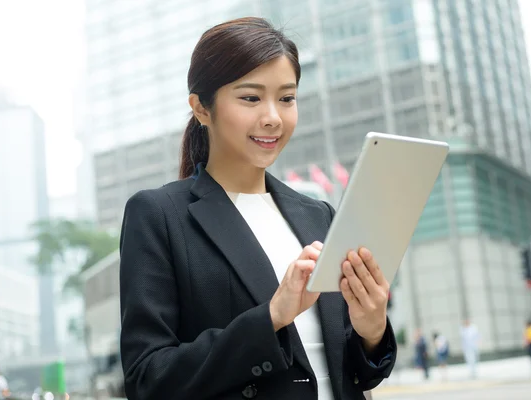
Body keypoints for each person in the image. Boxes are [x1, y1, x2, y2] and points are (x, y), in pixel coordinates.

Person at [119, 17, 396, 400]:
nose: (273, 117)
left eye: (286, 98)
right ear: (201, 108)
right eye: (250, 98)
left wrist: (371, 329)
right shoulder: (159, 216)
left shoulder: (318, 215)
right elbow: (147, 378)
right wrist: (271, 317)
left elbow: (352, 373)